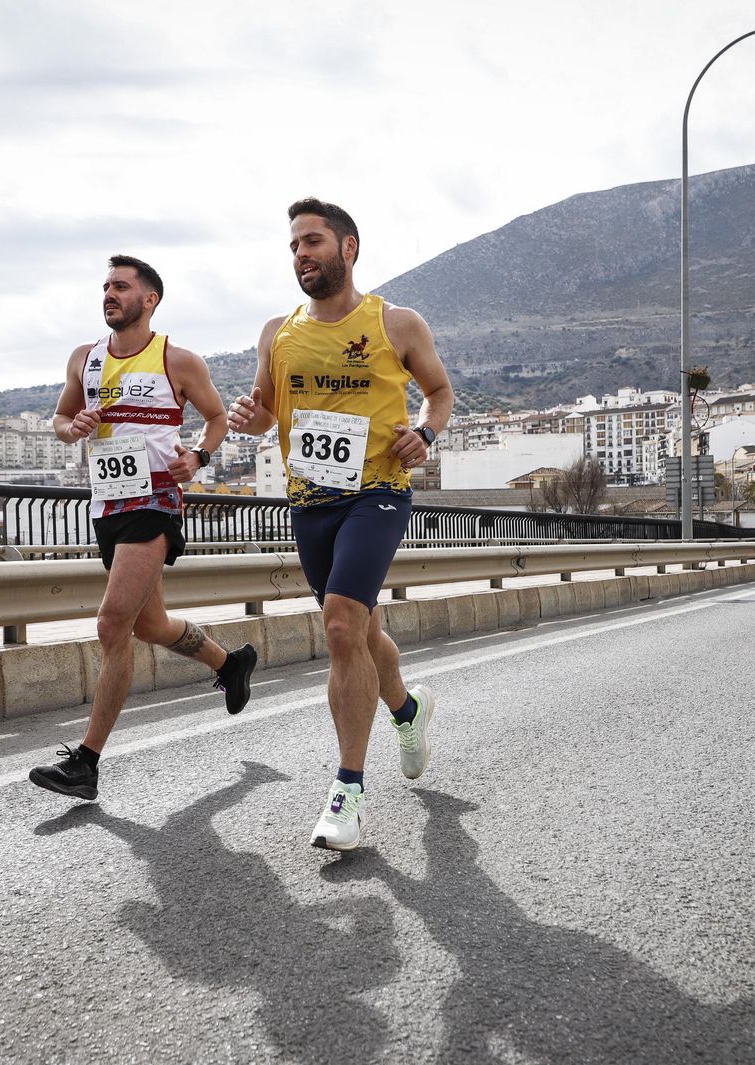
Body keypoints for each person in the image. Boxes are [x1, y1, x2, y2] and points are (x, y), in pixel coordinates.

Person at [228, 198, 453, 851]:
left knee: (338, 626)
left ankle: (347, 793)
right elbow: (268, 412)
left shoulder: (397, 323)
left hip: (376, 493)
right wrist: (251, 419)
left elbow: (439, 392)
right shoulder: (278, 332)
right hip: (310, 502)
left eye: (313, 241)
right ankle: (407, 711)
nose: (301, 253)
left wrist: (426, 434)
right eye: (294, 244)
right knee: (361, 632)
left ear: (348, 249)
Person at [29, 255, 258, 801]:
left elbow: (218, 417)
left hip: (155, 502)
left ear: (149, 299)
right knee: (149, 624)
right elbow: (61, 420)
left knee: (113, 624)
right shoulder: (84, 360)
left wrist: (198, 458)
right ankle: (232, 663)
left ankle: (86, 762)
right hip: (108, 505)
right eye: (105, 286)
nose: (109, 294)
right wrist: (73, 427)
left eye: (121, 287)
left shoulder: (176, 360)